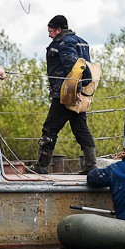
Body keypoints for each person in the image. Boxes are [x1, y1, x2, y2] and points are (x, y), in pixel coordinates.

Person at [30, 15, 97, 175]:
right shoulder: (81, 41)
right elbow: (86, 66)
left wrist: (76, 89)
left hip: (66, 93)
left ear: (59, 29)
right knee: (81, 128)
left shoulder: (64, 43)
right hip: (78, 92)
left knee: (50, 128)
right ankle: (90, 164)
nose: (49, 35)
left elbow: (74, 66)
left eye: (51, 31)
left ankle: (42, 165)